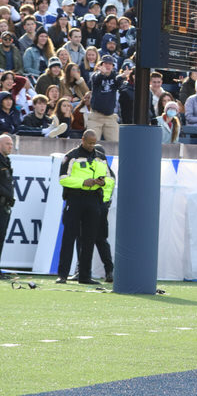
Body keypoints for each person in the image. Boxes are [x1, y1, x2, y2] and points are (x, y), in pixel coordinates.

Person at [55, 130, 115, 285]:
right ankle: (62, 274)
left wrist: (103, 183)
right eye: (89, 142)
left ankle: (84, 276)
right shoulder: (72, 156)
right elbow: (63, 179)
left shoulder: (100, 157)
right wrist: (83, 183)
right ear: (83, 140)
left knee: (89, 239)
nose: (91, 146)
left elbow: (110, 178)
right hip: (75, 198)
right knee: (69, 237)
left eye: (94, 143)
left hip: (93, 200)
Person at [87, 55, 130, 141]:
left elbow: (117, 81)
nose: (108, 65)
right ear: (101, 65)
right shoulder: (95, 75)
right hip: (96, 116)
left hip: (110, 117)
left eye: (110, 64)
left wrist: (123, 76)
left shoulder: (114, 76)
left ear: (113, 66)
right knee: (91, 142)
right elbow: (96, 80)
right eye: (106, 63)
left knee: (116, 143)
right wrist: (102, 73)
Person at [0, 134, 13, 279]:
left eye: (11, 144)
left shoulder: (6, 161)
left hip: (4, 206)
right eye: (7, 144)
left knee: (1, 238)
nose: (10, 146)